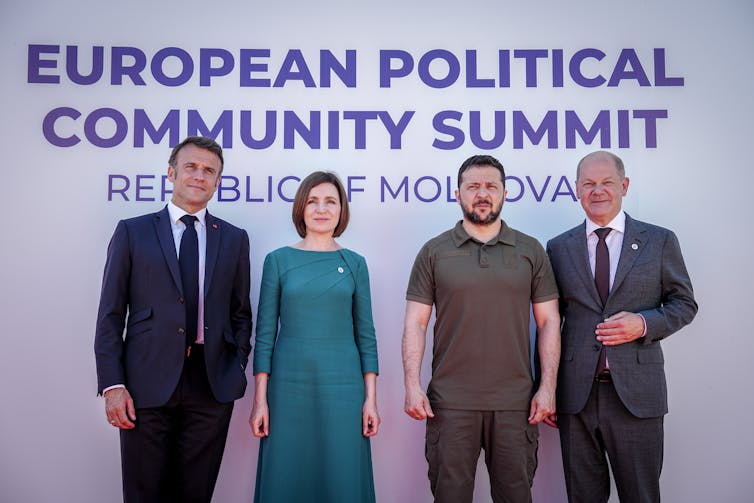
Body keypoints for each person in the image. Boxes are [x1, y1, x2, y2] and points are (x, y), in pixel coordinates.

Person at [94, 136, 252, 503]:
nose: (200, 175)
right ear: (171, 173)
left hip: (210, 385)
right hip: (144, 383)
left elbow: (240, 312)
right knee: (144, 493)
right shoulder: (133, 231)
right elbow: (110, 314)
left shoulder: (233, 238)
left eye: (209, 171)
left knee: (195, 494)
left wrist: (236, 364)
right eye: (191, 167)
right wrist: (112, 384)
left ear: (217, 181)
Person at [402, 154, 561, 503]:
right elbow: (416, 322)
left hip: (516, 404)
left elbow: (549, 322)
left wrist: (547, 388)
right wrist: (412, 386)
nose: (482, 193)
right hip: (450, 404)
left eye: (491, 186)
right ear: (457, 193)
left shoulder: (530, 250)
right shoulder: (434, 251)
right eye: (473, 186)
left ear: (505, 193)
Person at [546, 151, 698, 503]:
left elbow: (684, 304)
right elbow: (549, 323)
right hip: (576, 398)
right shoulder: (558, 247)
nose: (597, 191)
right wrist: (547, 387)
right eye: (588, 184)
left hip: (636, 395)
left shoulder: (659, 241)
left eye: (606, 183)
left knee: (641, 496)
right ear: (576, 190)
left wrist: (643, 323)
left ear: (624, 186)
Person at [250, 171, 380, 502]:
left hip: (344, 391)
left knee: (342, 474)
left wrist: (371, 399)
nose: (321, 209)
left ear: (341, 210)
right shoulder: (278, 261)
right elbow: (265, 334)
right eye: (313, 201)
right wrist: (260, 400)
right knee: (286, 475)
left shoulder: (355, 264)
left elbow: (366, 334)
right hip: (288, 388)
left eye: (330, 202)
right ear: (301, 208)